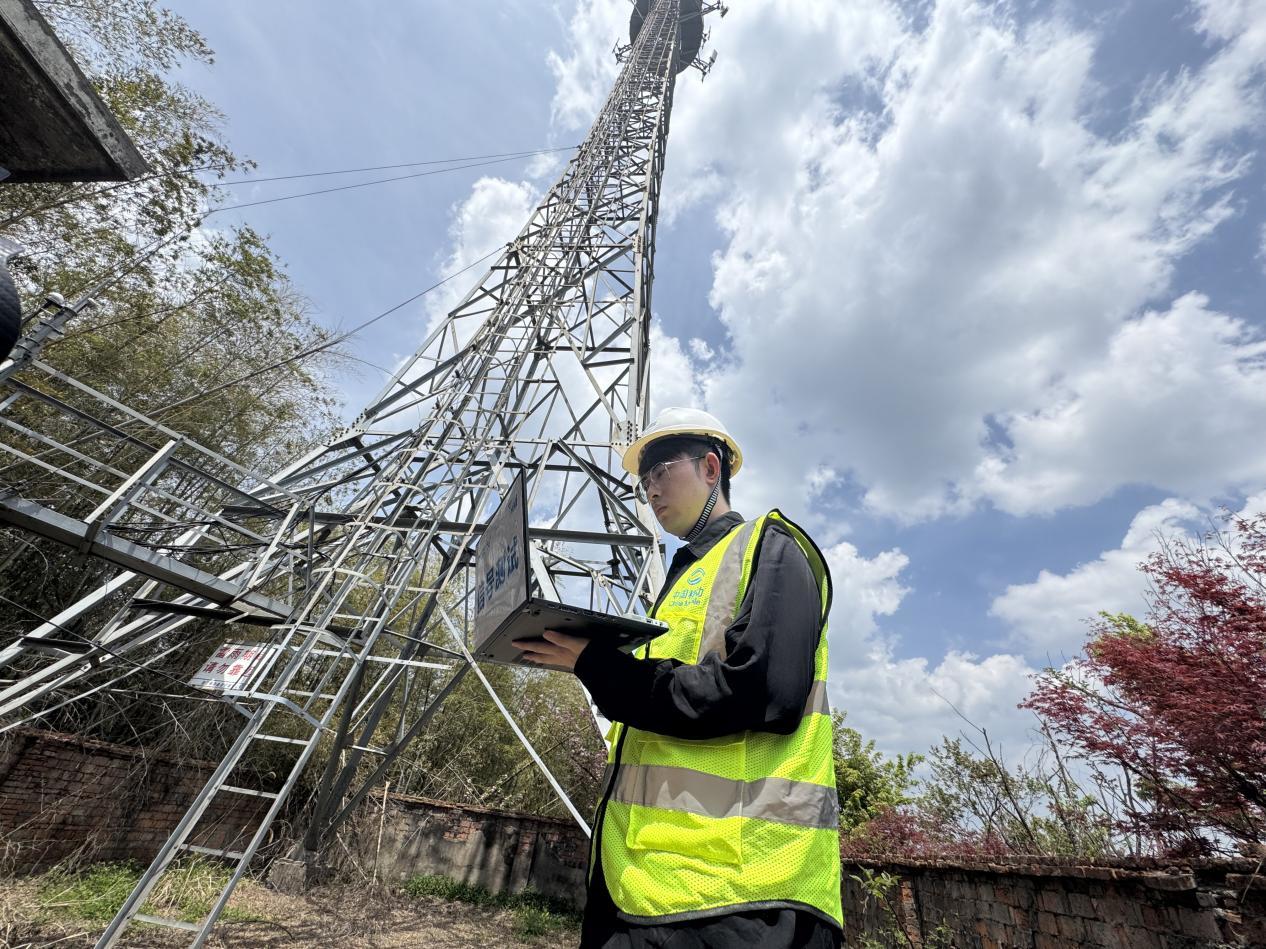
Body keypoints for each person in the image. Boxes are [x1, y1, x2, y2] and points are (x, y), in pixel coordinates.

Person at [515, 407, 843, 949]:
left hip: (744, 896)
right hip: (645, 887)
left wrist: (595, 664)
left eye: (662, 470)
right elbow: (661, 707)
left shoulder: (772, 546)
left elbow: (758, 693)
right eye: (643, 480)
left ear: (711, 468)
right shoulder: (680, 580)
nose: (649, 488)